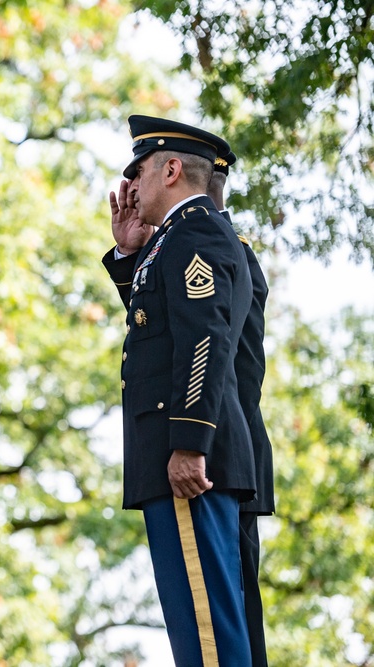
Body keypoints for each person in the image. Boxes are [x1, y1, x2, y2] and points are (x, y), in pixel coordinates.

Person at [101, 115, 257, 666]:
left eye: (138, 173)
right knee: (198, 630)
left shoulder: (195, 232)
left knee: (208, 636)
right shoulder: (175, 239)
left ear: (170, 170)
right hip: (176, 456)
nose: (131, 189)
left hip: (190, 460)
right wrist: (131, 260)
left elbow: (204, 337)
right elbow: (162, 327)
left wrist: (189, 442)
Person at [209, 152, 274, 667]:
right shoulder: (223, 245)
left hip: (224, 454)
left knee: (229, 627)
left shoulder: (218, 246)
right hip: (229, 456)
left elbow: (211, 351)